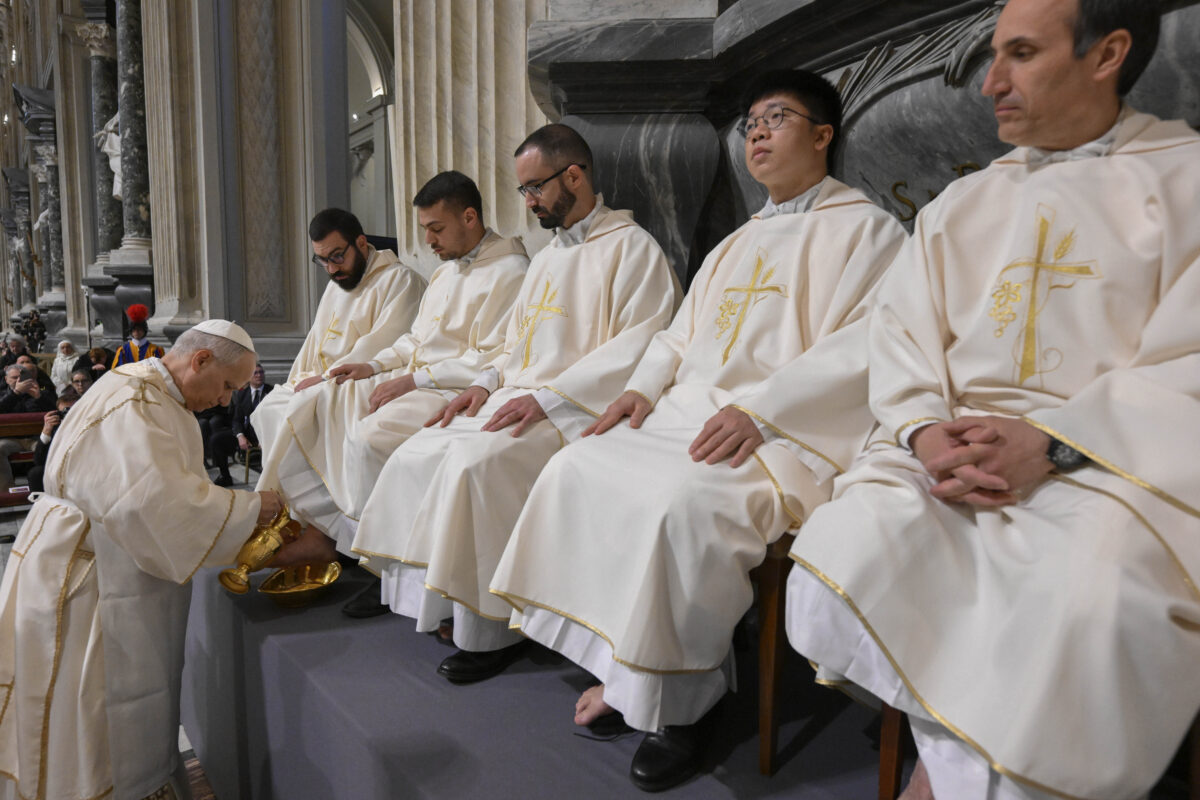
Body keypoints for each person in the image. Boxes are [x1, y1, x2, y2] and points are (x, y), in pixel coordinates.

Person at [780, 3, 1200, 799]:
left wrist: (1056, 441)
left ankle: (941, 782)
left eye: (1020, 54)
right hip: (954, 448)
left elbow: (1191, 365)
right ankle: (957, 767)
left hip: (1115, 461)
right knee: (854, 543)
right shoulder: (963, 202)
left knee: (1090, 603)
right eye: (991, 55)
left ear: (1107, 53)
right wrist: (921, 431)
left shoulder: (1187, 178)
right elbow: (900, 334)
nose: (990, 83)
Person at [489, 70, 906, 791]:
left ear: (823, 134)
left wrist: (762, 411)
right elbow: (679, 339)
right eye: (749, 124)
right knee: (574, 467)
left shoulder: (869, 231)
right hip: (691, 413)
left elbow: (866, 346)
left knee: (680, 507)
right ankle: (629, 673)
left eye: (776, 119)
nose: (758, 134)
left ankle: (683, 705)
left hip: (780, 433)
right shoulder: (738, 243)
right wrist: (638, 391)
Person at [351, 123, 680, 675]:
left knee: (472, 465)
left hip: (576, 408)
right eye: (523, 191)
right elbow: (515, 344)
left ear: (573, 175)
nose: (527, 203)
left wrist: (550, 398)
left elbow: (640, 343)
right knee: (419, 450)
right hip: (518, 395)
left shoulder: (632, 249)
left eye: (534, 189)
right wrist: (483, 384)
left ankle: (491, 632)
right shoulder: (550, 257)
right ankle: (444, 605)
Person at [0, 320, 330, 800]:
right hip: (91, 580)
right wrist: (253, 508)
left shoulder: (142, 387)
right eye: (226, 386)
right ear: (200, 360)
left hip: (80, 556)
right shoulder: (138, 403)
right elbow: (151, 505)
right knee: (93, 710)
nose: (224, 400)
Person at [258, 171, 529, 617]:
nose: (428, 241)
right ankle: (359, 549)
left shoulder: (511, 271)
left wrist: (413, 380)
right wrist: (375, 365)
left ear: (470, 216)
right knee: (352, 421)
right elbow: (413, 342)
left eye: (436, 229)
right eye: (424, 229)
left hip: (456, 387)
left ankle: (380, 565)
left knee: (368, 439)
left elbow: (492, 355)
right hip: (421, 379)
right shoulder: (445, 275)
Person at [250, 208, 425, 468]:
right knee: (269, 407)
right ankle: (289, 505)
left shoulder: (400, 280)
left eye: (338, 256)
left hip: (358, 377)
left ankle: (326, 506)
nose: (332, 269)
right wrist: (296, 380)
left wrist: (323, 378)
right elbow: (314, 342)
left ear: (361, 243)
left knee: (300, 411)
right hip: (323, 378)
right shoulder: (336, 286)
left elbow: (381, 344)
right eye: (322, 260)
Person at [211, 362, 274, 485]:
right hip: (248, 434)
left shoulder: (272, 392)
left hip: (267, 433)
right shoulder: (241, 394)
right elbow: (237, 419)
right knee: (216, 439)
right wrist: (240, 436)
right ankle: (225, 476)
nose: (259, 375)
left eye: (261, 372)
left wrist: (265, 437)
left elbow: (275, 418)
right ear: (249, 377)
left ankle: (271, 478)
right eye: (255, 373)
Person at [26, 386, 81, 493]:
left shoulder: (90, 424)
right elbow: (39, 461)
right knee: (36, 472)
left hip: (82, 466)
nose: (68, 416)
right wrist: (46, 432)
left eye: (73, 411)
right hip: (59, 468)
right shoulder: (54, 427)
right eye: (65, 412)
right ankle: (41, 507)